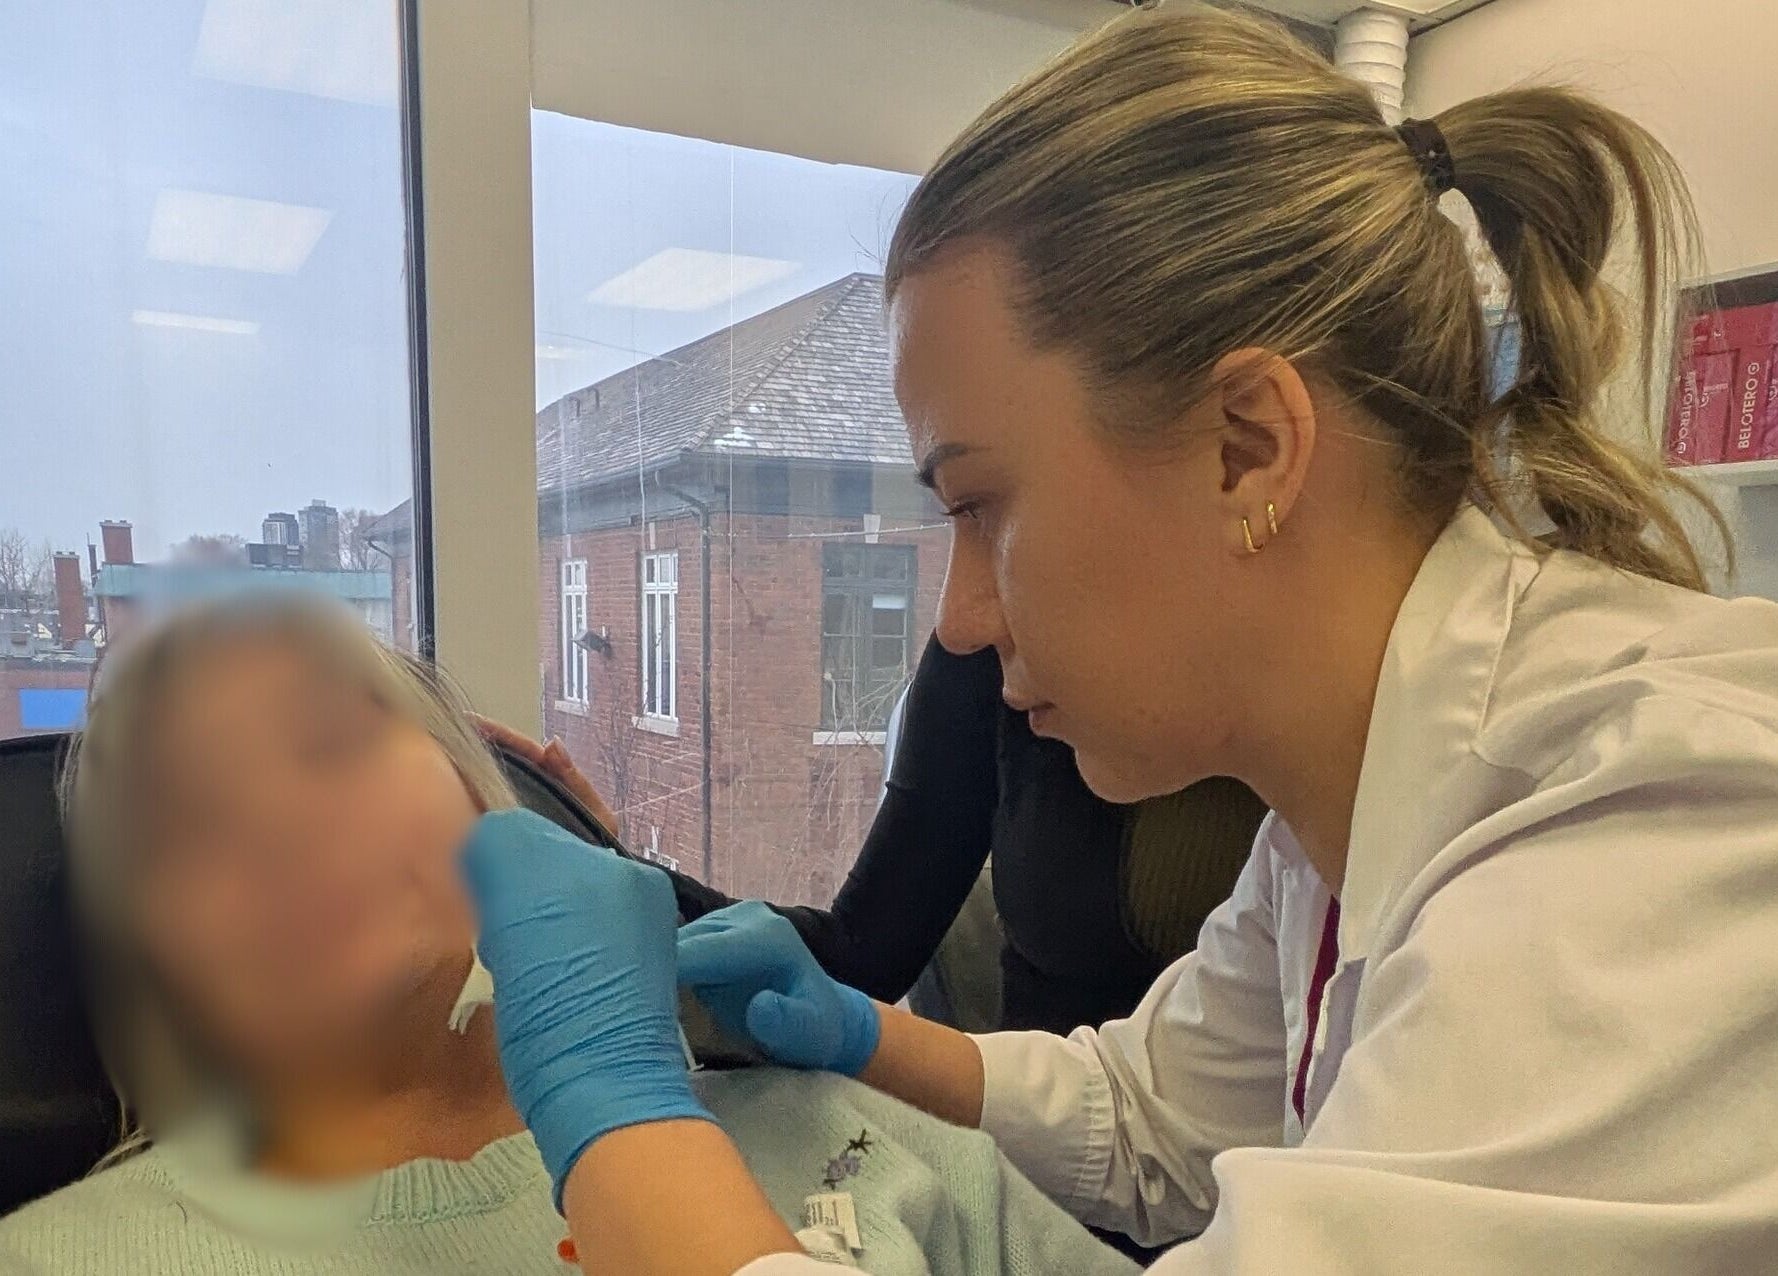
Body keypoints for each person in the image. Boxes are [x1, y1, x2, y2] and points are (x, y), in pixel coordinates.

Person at [455, 6, 1778, 1274]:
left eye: (979, 504)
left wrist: (612, 1106)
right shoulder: (1325, 826)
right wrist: (859, 1034)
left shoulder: (1649, 844)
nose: (959, 620)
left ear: (1246, 448)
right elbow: (1156, 1122)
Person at [0, 594, 1137, 1276]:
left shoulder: (837, 1124)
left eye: (330, 742)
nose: (284, 825)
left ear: (470, 789)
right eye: (195, 820)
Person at [490, 636, 1268, 1038]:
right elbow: (859, 952)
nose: (956, 618)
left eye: (984, 502)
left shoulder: (1312, 871)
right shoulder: (979, 653)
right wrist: (607, 869)